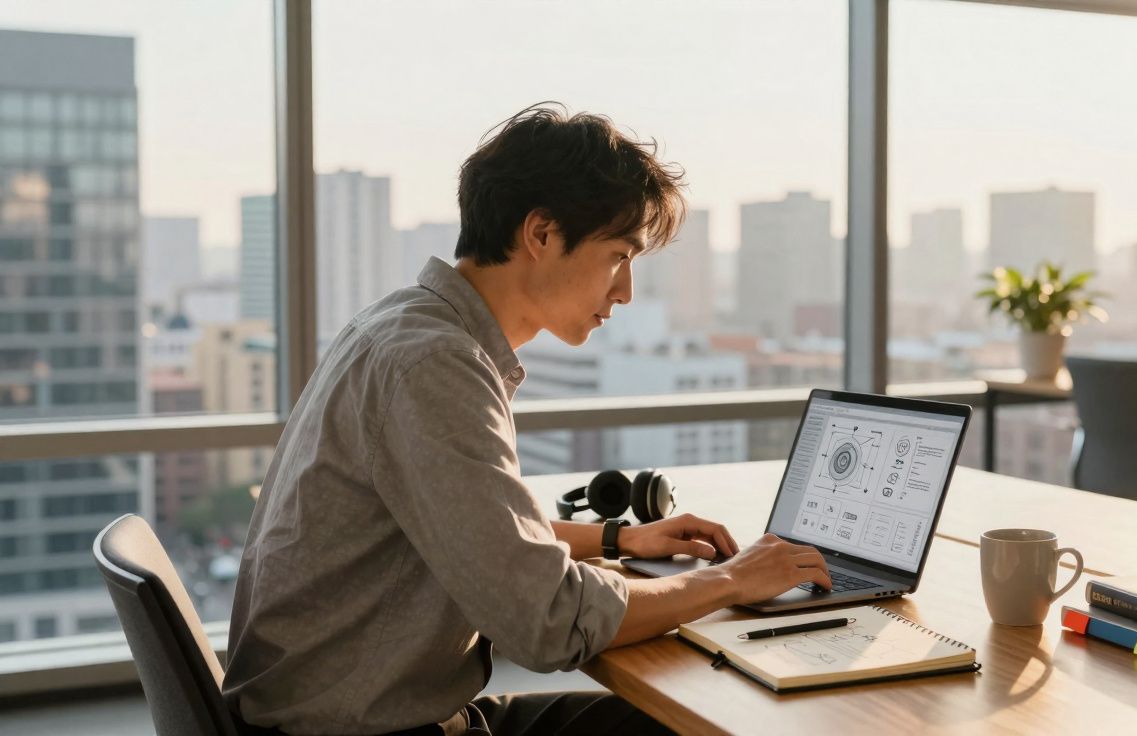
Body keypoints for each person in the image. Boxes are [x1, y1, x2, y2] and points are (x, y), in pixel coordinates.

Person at [222, 103, 832, 736]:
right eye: (619, 256)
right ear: (541, 234)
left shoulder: (405, 325)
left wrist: (620, 541)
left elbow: (472, 528)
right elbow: (548, 621)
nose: (624, 291)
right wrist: (731, 580)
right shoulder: (434, 365)